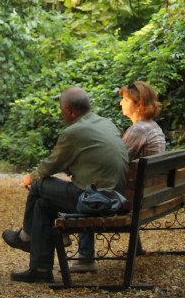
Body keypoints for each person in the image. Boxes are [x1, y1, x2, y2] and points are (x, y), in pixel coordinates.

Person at [1, 86, 128, 283]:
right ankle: (41, 269)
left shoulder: (74, 131)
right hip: (116, 197)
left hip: (95, 200)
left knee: (38, 185)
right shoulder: (106, 123)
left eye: (62, 110)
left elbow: (51, 165)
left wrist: (31, 177)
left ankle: (26, 236)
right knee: (43, 206)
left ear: (69, 110)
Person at [71, 80, 166, 272]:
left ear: (138, 104)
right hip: (149, 193)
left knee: (90, 189)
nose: (121, 103)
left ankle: (84, 257)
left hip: (134, 198)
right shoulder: (152, 127)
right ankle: (134, 248)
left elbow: (114, 163)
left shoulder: (138, 130)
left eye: (125, 99)